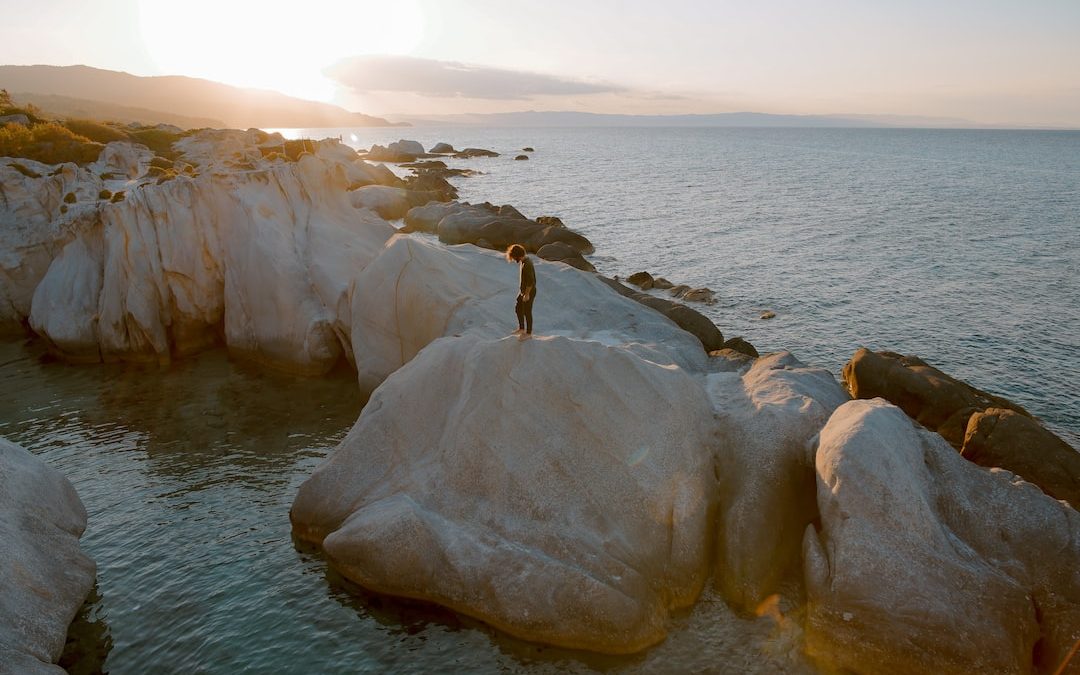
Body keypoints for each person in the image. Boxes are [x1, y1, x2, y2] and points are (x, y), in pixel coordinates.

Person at [506, 244, 536, 339]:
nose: (514, 260)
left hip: (529, 291)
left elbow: (531, 282)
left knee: (527, 312)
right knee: (518, 308)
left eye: (514, 257)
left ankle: (528, 333)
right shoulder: (523, 261)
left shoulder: (527, 264)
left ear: (518, 255)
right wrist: (521, 293)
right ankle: (521, 328)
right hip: (523, 291)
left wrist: (526, 294)